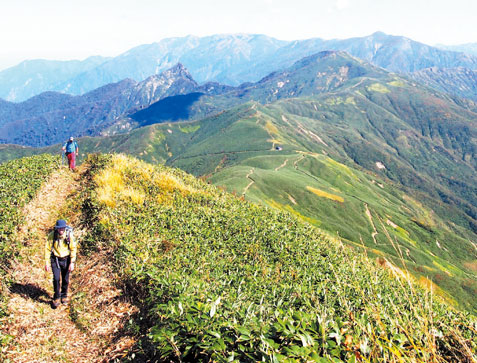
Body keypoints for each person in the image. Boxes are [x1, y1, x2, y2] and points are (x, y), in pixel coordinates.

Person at [44, 219, 77, 308]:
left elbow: (73, 249)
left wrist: (72, 262)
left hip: (67, 259)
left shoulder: (69, 236)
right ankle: (57, 297)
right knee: (56, 278)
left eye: (62, 228)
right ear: (57, 229)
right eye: (59, 229)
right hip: (55, 259)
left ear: (65, 228)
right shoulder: (52, 235)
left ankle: (64, 296)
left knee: (65, 279)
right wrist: (47, 263)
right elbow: (47, 249)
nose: (61, 230)